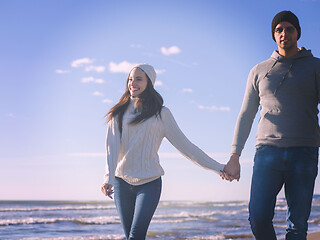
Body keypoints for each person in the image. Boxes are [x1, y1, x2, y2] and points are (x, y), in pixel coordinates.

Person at [221, 10, 320, 240]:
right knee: (257, 217)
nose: (284, 33)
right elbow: (246, 114)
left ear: (298, 33)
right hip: (267, 152)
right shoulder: (259, 71)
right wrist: (234, 156)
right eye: (279, 29)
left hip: (304, 153)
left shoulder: (315, 67)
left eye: (289, 29)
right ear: (274, 35)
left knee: (297, 226)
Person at [101, 63, 225, 240]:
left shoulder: (161, 114)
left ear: (149, 82)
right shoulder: (118, 114)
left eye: (138, 79)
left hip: (149, 183)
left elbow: (187, 147)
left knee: (135, 236)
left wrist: (218, 167)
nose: (132, 83)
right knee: (130, 236)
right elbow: (111, 149)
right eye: (130, 79)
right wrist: (108, 178)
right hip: (122, 183)